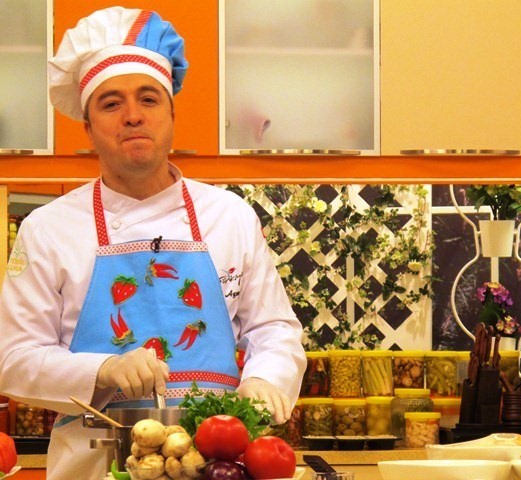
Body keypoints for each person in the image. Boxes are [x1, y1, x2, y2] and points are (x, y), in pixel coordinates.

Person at [0, 7, 305, 479]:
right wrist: (102, 368)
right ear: (88, 128)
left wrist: (266, 378)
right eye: (110, 104)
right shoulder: (48, 228)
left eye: (148, 98)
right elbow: (14, 359)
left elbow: (275, 329)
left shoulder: (230, 217)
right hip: (92, 466)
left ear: (171, 115)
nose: (133, 116)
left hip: (215, 463)